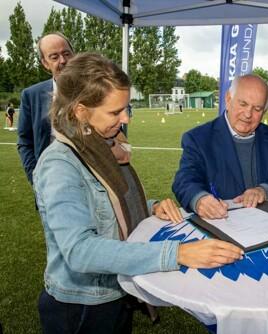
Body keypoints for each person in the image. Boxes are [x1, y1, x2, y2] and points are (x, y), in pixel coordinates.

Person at [33, 53, 243, 333]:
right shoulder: (60, 164)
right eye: (114, 112)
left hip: (114, 291)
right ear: (80, 111)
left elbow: (105, 207)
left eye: (126, 108)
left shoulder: (99, 146)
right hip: (82, 308)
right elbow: (80, 250)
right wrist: (177, 253)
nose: (125, 118)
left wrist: (150, 206)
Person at [173, 74, 268, 219]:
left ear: (264, 111)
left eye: (257, 109)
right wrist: (199, 199)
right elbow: (184, 180)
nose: (248, 114)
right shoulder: (198, 139)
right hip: (221, 228)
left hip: (267, 227)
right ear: (228, 99)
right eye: (243, 104)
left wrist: (264, 190)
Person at [17, 32, 74, 185]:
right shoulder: (31, 95)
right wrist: (36, 177)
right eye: (54, 57)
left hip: (92, 182)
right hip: (51, 180)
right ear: (45, 63)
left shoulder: (94, 89)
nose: (63, 61)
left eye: (66, 53)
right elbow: (25, 142)